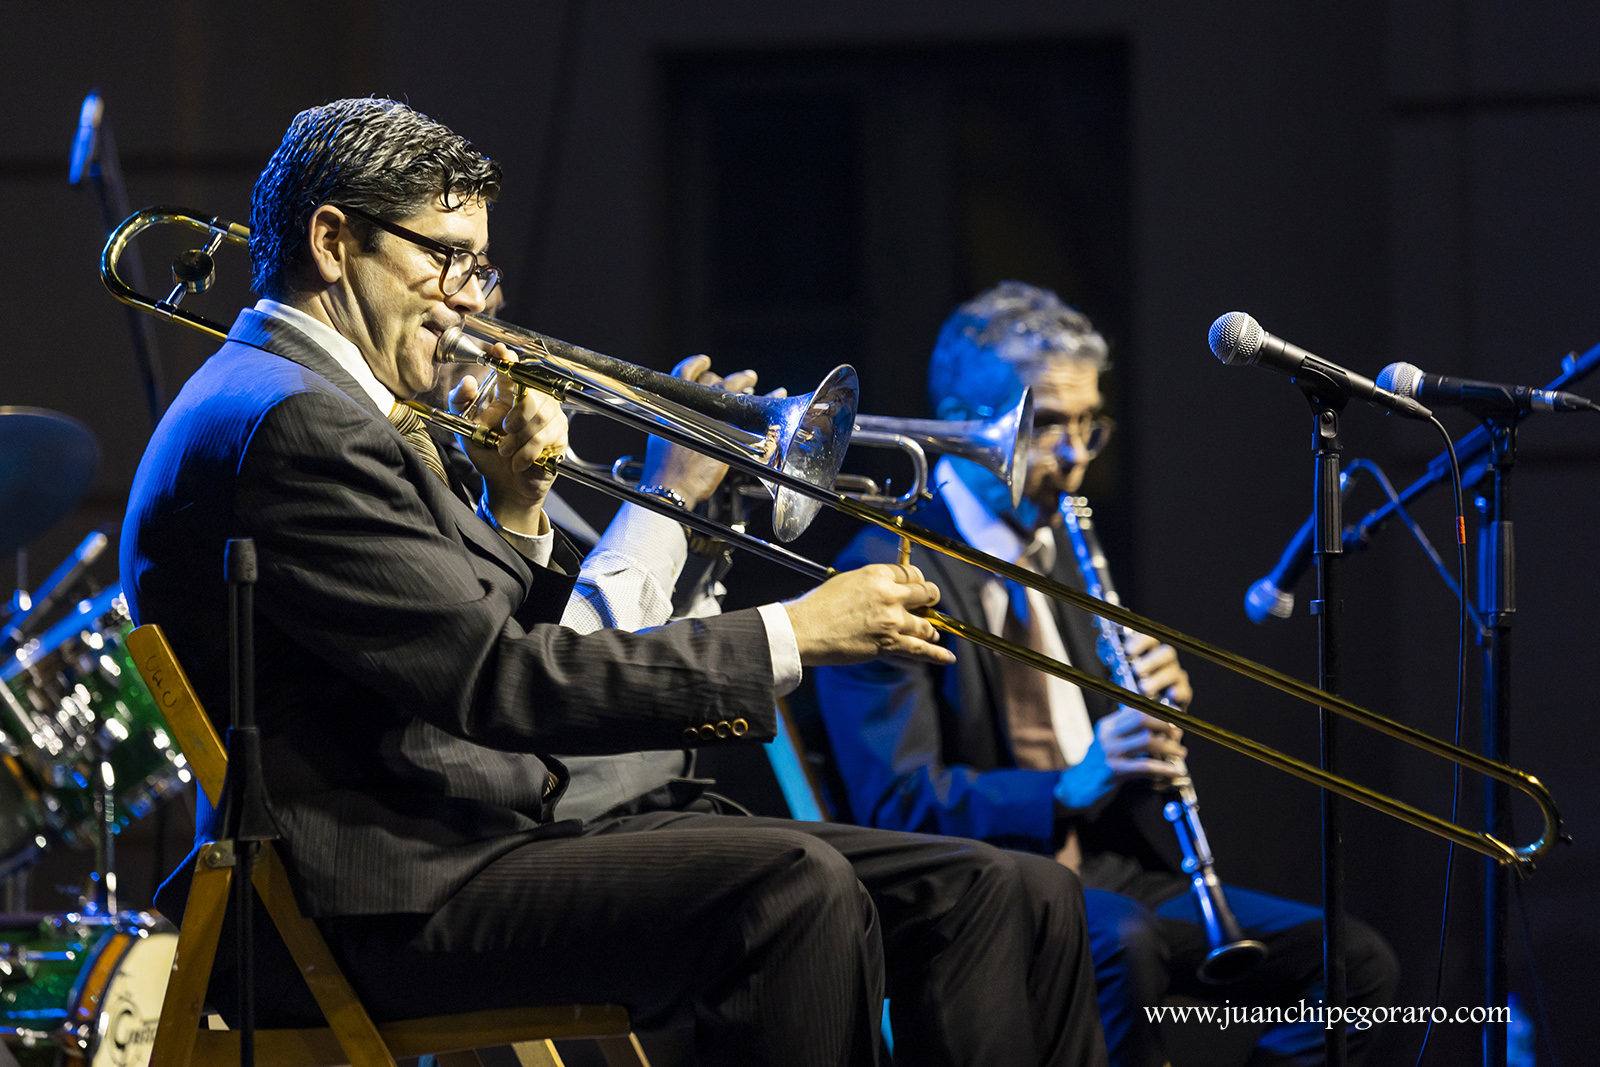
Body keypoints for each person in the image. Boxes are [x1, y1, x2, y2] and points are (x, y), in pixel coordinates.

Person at [122, 99, 1108, 1066]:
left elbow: (500, 640)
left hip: (464, 839)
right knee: (790, 887)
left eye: (478, 262)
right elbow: (502, 682)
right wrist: (791, 634)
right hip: (380, 894)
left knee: (1013, 894)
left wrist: (526, 508)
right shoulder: (296, 420)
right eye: (445, 256)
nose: (469, 295)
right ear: (333, 242)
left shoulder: (334, 405)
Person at [814, 282, 1400, 1067]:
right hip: (983, 884)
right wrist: (1067, 784)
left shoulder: (1064, 547)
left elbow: (1101, 757)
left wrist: (1144, 714)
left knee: (1357, 965)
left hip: (1107, 869)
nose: (1076, 461)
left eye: (1090, 427)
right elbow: (899, 802)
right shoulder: (887, 571)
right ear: (962, 423)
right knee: (1123, 942)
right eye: (1049, 425)